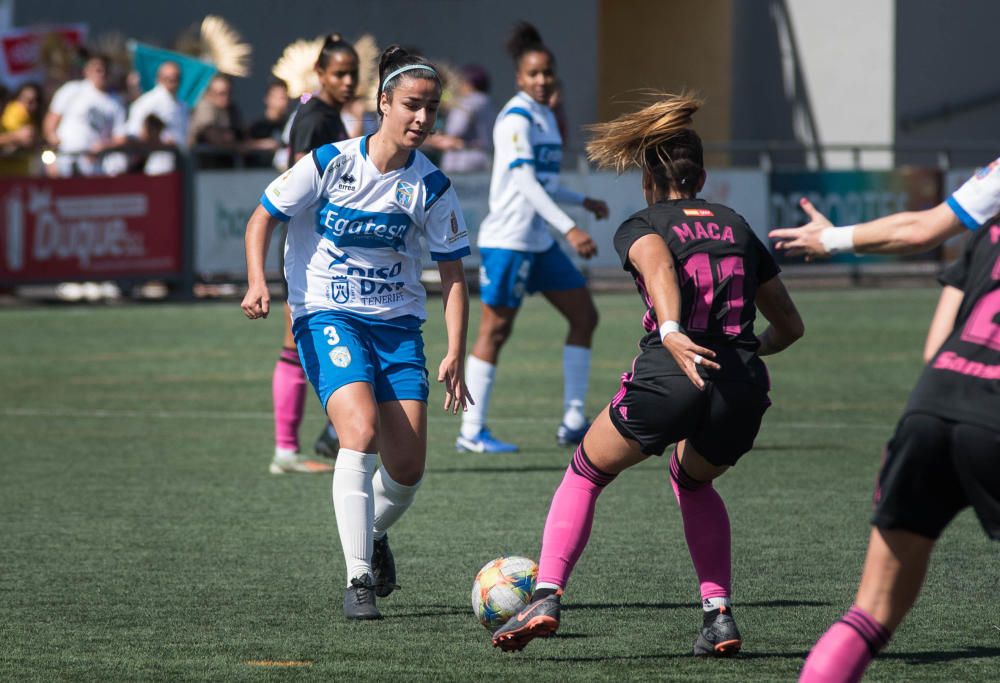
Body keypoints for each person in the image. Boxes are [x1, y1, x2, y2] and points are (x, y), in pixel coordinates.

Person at [491, 93, 805, 655]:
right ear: (703, 175)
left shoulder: (644, 223)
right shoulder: (736, 226)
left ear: (646, 180)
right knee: (693, 481)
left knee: (585, 472)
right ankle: (718, 615)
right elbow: (791, 325)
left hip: (673, 375)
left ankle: (546, 593)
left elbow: (658, 262)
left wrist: (671, 331)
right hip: (741, 387)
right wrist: (745, 349)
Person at [241, 45, 472, 620]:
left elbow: (453, 276)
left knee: (409, 470)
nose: (422, 119)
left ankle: (371, 534)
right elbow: (262, 215)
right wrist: (257, 282)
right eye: (412, 106)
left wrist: (456, 352)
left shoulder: (433, 187)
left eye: (432, 109)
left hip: (397, 328)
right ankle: (358, 579)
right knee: (360, 432)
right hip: (326, 314)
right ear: (383, 104)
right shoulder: (330, 162)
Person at [769, 162, 1000, 683]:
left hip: (932, 403)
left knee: (870, 612)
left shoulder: (988, 235)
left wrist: (831, 239)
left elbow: (920, 237)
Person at [458, 22, 609, 453]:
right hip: (508, 241)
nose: (542, 81)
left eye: (548, 73)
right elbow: (523, 180)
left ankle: (574, 421)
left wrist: (583, 199)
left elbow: (543, 181)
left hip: (538, 240)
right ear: (519, 78)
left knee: (585, 316)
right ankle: (471, 432)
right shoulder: (515, 118)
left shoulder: (545, 117)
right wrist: (570, 226)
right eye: (533, 74)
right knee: (495, 331)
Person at [268, 33, 359, 475]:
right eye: (339, 73)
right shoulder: (316, 118)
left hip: (328, 251)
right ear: (319, 75)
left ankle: (330, 433)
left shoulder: (331, 117)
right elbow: (299, 182)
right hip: (309, 252)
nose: (347, 81)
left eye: (352, 74)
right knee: (294, 346)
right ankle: (285, 451)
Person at [43, 54, 127, 177]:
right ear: (86, 71)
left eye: (104, 70)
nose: (101, 73)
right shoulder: (71, 90)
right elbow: (51, 123)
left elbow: (120, 138)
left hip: (94, 166)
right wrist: (51, 158)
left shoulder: (116, 102)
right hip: (64, 159)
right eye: (97, 69)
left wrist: (104, 146)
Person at [126, 61, 187, 174]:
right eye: (167, 78)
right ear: (159, 78)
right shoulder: (148, 102)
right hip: (154, 168)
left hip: (178, 166)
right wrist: (159, 141)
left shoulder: (182, 105)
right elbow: (134, 133)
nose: (172, 81)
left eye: (176, 78)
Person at [438, 64, 494, 174]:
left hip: (462, 161)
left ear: (468, 83)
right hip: (484, 158)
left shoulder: (468, 102)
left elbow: (455, 129)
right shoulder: (487, 102)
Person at [188, 74, 244, 168]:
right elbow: (215, 138)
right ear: (209, 94)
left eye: (229, 93)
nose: (226, 97)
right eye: (221, 93)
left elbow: (242, 133)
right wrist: (241, 146)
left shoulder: (232, 109)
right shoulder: (204, 107)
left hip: (225, 167)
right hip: (203, 168)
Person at [245, 78, 290, 168]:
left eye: (285, 97)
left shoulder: (290, 125)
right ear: (268, 99)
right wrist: (263, 144)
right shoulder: (256, 127)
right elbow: (244, 146)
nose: (284, 102)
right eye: (280, 98)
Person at [0, 82, 42, 176]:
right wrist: (17, 136)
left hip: (19, 173)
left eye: (36, 101)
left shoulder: (31, 117)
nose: (32, 105)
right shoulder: (15, 111)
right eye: (28, 100)